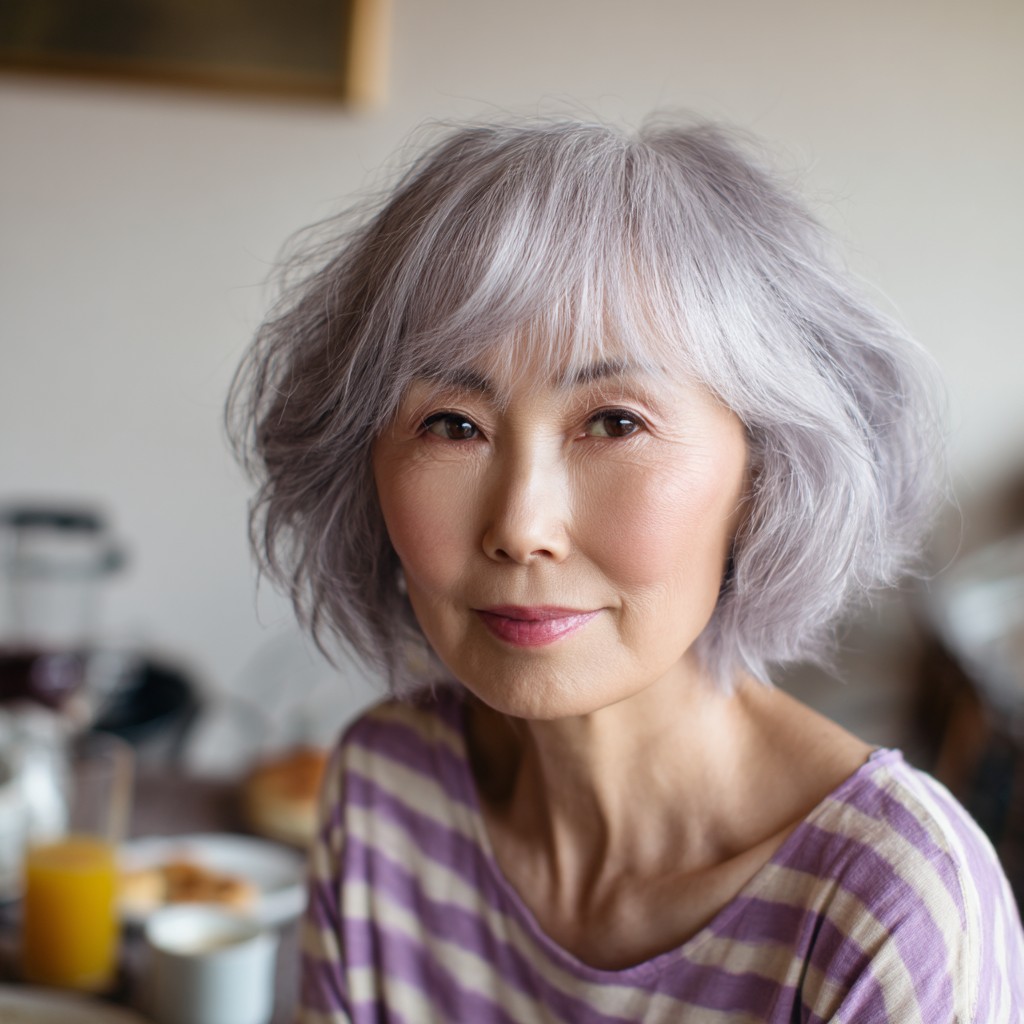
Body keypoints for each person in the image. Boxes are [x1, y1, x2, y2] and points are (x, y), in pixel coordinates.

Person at [229, 115, 1024, 1022]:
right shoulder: (387, 793)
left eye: (614, 423)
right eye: (453, 424)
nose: (522, 527)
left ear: (766, 472)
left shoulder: (891, 904)